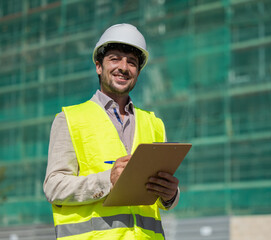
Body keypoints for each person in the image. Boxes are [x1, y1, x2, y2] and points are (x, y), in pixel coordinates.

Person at [43, 23, 180, 240]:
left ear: (138, 72)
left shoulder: (154, 124)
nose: (124, 67)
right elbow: (54, 187)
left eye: (132, 62)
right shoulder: (70, 119)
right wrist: (108, 180)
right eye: (115, 58)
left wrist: (170, 195)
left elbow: (155, 192)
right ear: (99, 66)